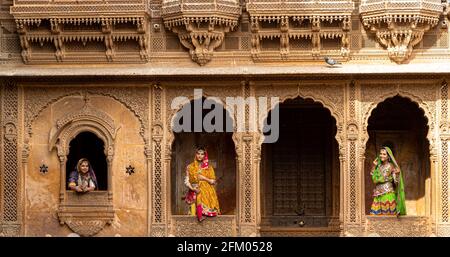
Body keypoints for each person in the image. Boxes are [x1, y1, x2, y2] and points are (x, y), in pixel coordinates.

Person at [184, 147, 220, 222]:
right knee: (194, 216)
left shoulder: (209, 168)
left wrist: (204, 178)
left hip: (208, 194)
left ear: (204, 155)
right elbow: (187, 181)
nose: (200, 155)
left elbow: (213, 181)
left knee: (209, 218)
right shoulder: (190, 167)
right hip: (195, 191)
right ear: (195, 154)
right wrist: (193, 188)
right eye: (198, 153)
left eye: (202, 154)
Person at [369, 146, 406, 216]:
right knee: (376, 217)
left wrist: (397, 175)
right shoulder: (378, 166)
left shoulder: (391, 166)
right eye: (380, 154)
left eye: (384, 154)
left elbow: (395, 181)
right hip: (378, 194)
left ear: (388, 156)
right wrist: (374, 166)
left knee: (389, 217)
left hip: (388, 193)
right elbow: (373, 178)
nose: (381, 155)